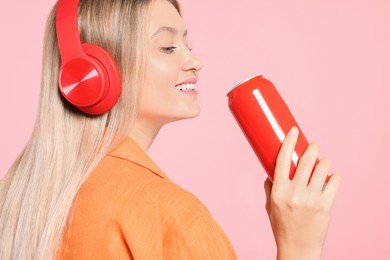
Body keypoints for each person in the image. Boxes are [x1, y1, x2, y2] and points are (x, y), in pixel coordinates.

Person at [0, 0, 341, 259]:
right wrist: (299, 247)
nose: (195, 61)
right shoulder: (171, 216)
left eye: (187, 45)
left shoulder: (20, 199)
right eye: (167, 47)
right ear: (93, 75)